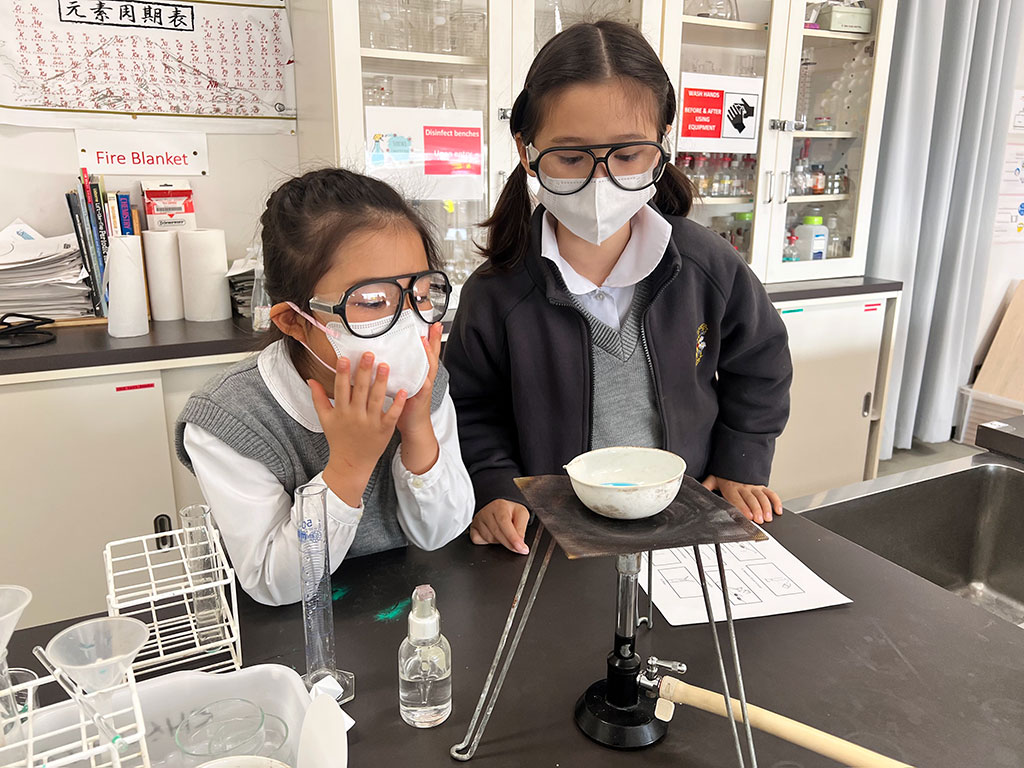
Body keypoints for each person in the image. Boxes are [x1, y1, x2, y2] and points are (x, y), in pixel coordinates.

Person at [444, 21, 792, 556]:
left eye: (628, 155)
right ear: (526, 149)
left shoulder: (706, 265)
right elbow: (470, 404)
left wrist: (740, 459)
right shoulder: (497, 293)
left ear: (661, 146)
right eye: (571, 156)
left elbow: (761, 362)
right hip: (551, 531)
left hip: (683, 515)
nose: (600, 182)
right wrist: (493, 487)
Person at [176, 169, 474, 605]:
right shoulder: (230, 419)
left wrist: (417, 431)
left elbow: (440, 532)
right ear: (294, 321)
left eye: (422, 293)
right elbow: (273, 582)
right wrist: (349, 467)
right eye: (372, 302)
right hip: (293, 633)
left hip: (407, 604)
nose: (409, 321)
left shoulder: (425, 379)